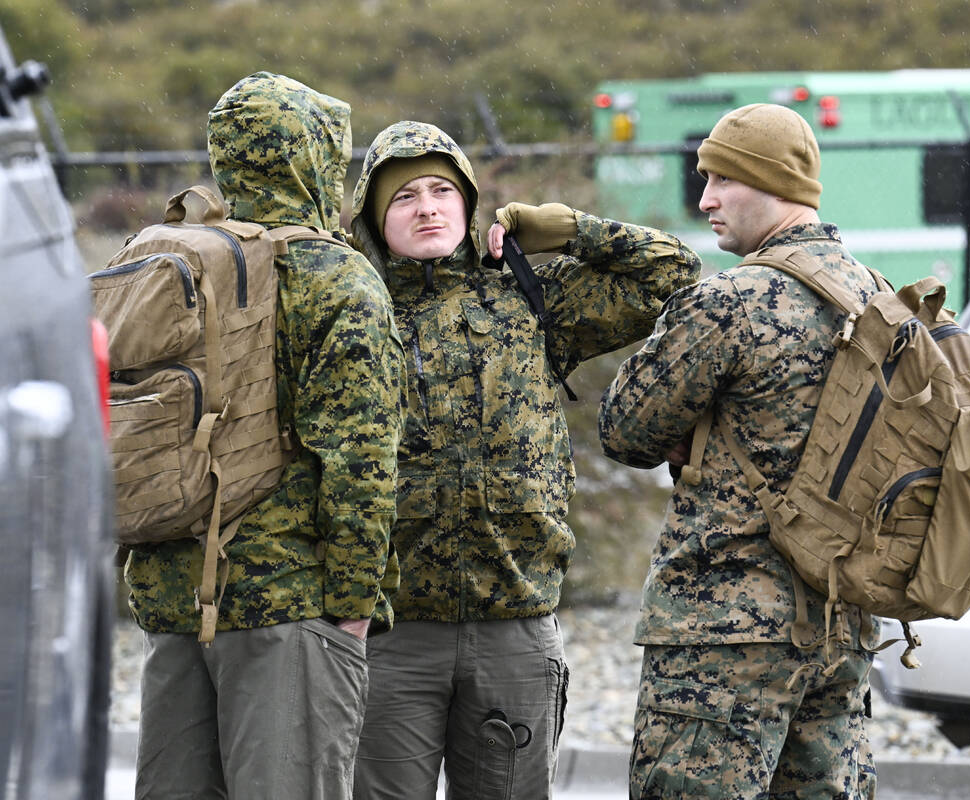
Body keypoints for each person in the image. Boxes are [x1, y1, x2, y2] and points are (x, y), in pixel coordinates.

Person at [346, 120, 700, 800]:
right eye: (405, 197)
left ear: (468, 203)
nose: (427, 208)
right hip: (390, 630)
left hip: (513, 623)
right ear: (375, 217)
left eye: (442, 191)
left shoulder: (526, 296)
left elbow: (673, 275)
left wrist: (568, 230)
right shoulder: (355, 308)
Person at [123, 72, 404, 799]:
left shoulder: (174, 263)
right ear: (315, 156)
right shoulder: (336, 277)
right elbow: (360, 460)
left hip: (172, 601)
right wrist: (354, 603)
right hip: (287, 604)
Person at [597, 103, 881, 799]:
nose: (706, 199)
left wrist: (696, 429)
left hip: (722, 635)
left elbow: (624, 430)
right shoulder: (877, 298)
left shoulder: (729, 301)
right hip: (842, 628)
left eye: (724, 179)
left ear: (774, 184)